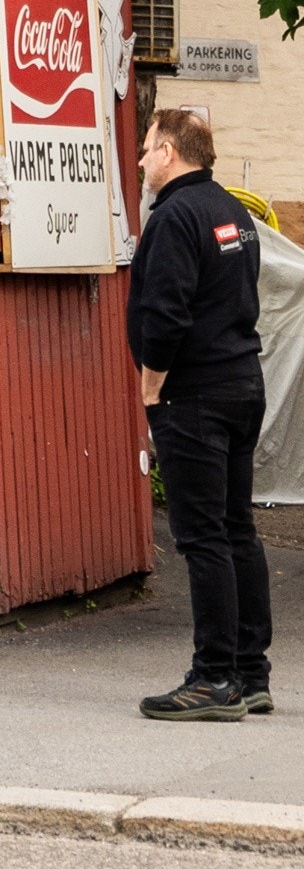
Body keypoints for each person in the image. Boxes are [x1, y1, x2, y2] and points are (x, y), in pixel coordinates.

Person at [128, 106, 270, 720]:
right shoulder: (229, 210)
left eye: (146, 148)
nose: (139, 160)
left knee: (203, 534)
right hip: (242, 381)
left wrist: (150, 389)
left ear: (169, 153)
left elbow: (165, 315)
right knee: (237, 527)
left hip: (196, 393)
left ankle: (212, 677)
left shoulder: (174, 217)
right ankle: (249, 671)